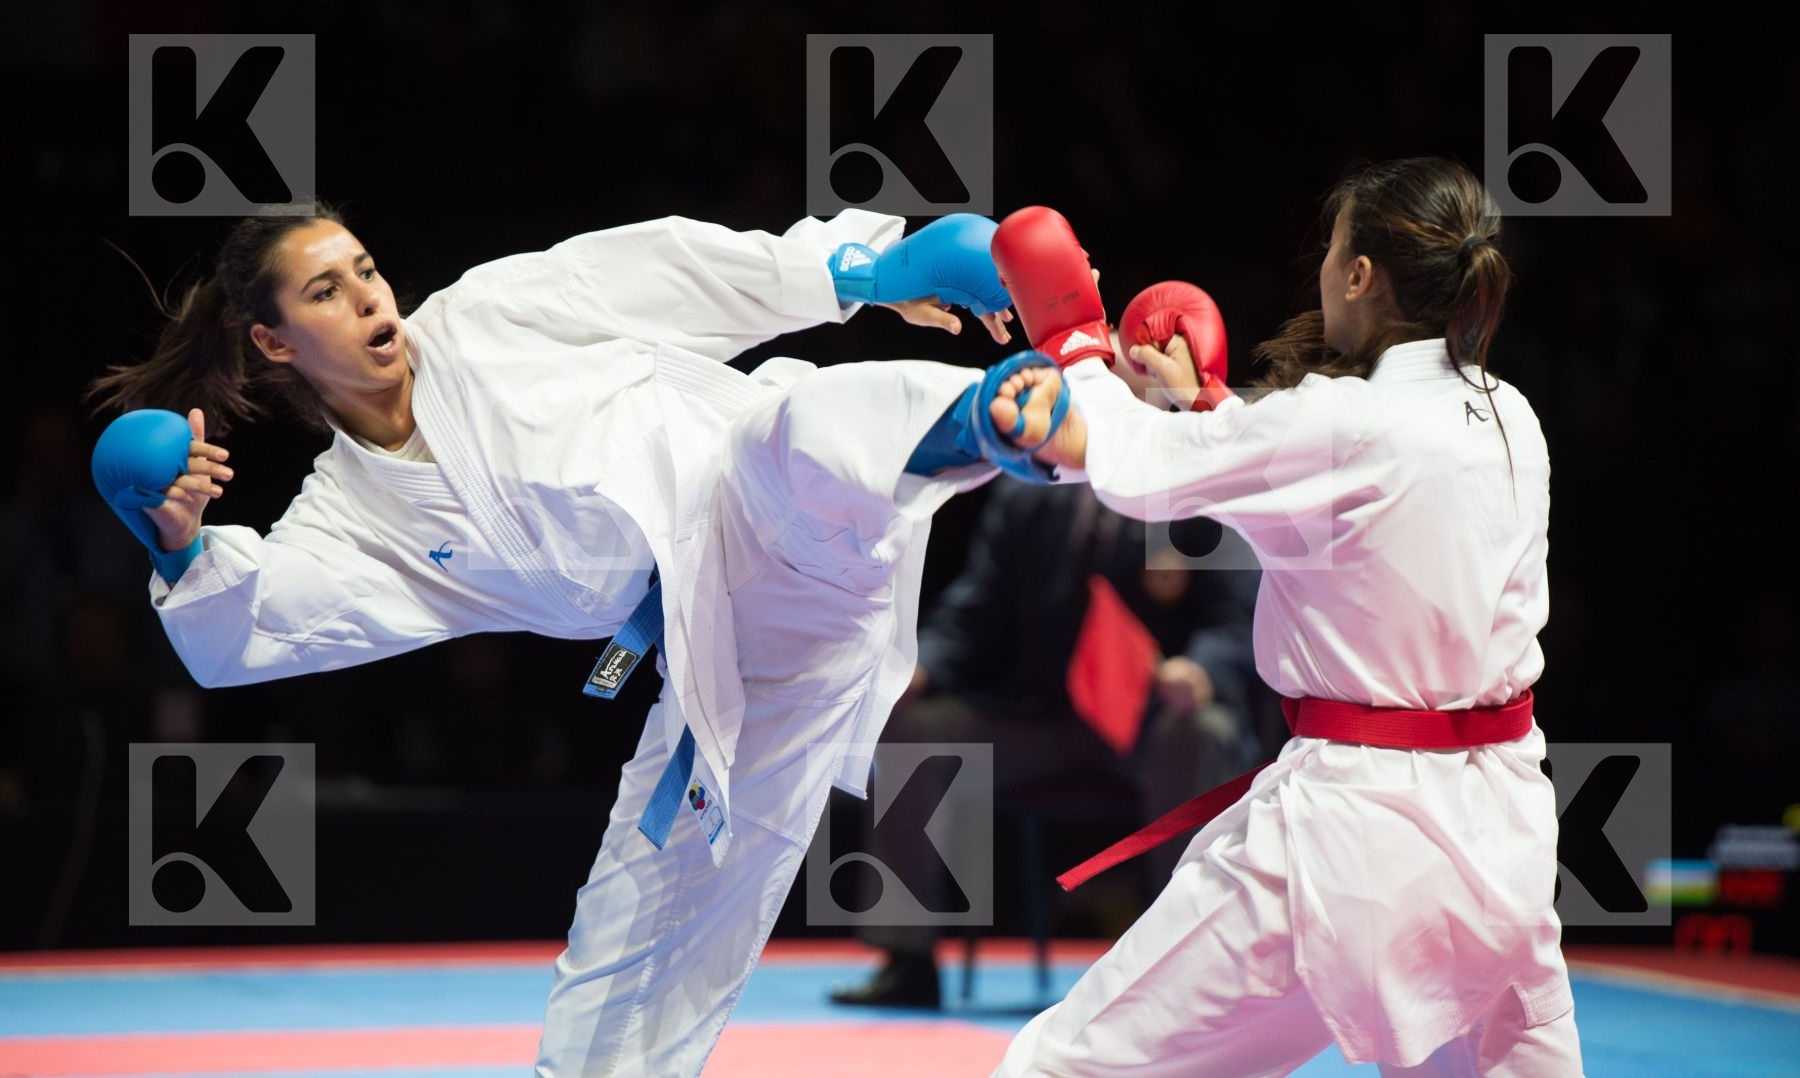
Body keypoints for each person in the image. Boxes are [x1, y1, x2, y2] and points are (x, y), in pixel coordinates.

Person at [85, 202, 1072, 1077]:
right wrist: (179, 549)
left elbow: (672, 270)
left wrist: (861, 273)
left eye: (366, 270)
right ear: (274, 340)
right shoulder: (352, 519)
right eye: (326, 292)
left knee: (793, 428)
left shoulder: (490, 316)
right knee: (624, 960)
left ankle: (986, 418)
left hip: (763, 495)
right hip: (738, 655)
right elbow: (250, 630)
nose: (368, 297)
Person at [981, 162, 1584, 1075]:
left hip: (1348, 841)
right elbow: (1354, 530)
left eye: (1334, 250)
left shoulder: (1344, 420)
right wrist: (1210, 412)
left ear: (1361, 275)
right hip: (1501, 843)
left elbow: (1139, 469)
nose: (1324, 270)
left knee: (1066, 1065)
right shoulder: (1512, 419)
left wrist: (1071, 334)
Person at [830, 472, 1264, 1009]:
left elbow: (1235, 618)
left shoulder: (1190, 494)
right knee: (912, 732)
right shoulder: (1028, 495)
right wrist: (923, 668)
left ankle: (1184, 965)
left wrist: (1199, 670)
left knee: (1203, 733)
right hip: (1039, 718)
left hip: (1149, 722)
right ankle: (907, 962)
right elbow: (977, 606)